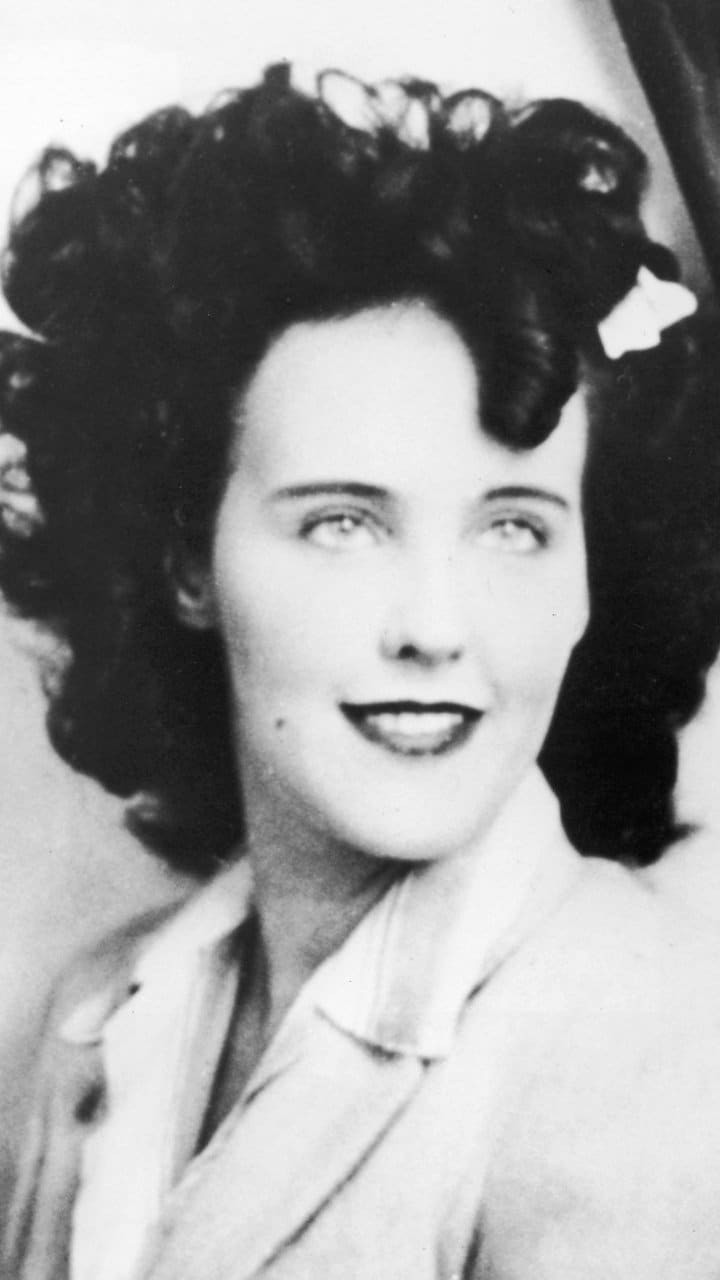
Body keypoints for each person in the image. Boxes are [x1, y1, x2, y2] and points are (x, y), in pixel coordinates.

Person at [2, 62, 720, 1280]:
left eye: (514, 527)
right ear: (188, 559)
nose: (436, 627)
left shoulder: (651, 1058)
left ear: (591, 576)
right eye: (344, 521)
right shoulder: (104, 1003)